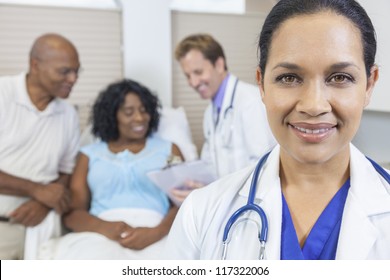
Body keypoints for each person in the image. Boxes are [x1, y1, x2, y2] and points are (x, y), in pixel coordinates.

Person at [165, 0, 390, 260]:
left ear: (369, 86)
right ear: (262, 84)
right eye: (289, 78)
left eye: (340, 77)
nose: (314, 105)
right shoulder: (199, 214)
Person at [39, 79, 184, 259]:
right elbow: (73, 214)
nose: (139, 118)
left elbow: (184, 203)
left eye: (144, 110)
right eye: (128, 112)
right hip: (101, 233)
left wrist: (156, 232)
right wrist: (105, 228)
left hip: (157, 232)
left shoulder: (169, 151)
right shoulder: (89, 155)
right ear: (111, 115)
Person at [0, 33, 81, 259]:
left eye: (77, 71)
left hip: (43, 228)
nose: (73, 78)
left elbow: (65, 171)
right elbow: (42, 189)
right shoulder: (3, 95)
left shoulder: (68, 114)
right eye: (65, 71)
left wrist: (43, 203)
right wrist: (36, 190)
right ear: (35, 65)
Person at [171, 34, 276, 201]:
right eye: (188, 76)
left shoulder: (251, 102)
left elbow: (263, 165)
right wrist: (196, 186)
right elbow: (211, 165)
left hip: (252, 202)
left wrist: (215, 192)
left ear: (219, 65)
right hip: (226, 200)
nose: (193, 82)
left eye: (198, 72)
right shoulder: (210, 113)